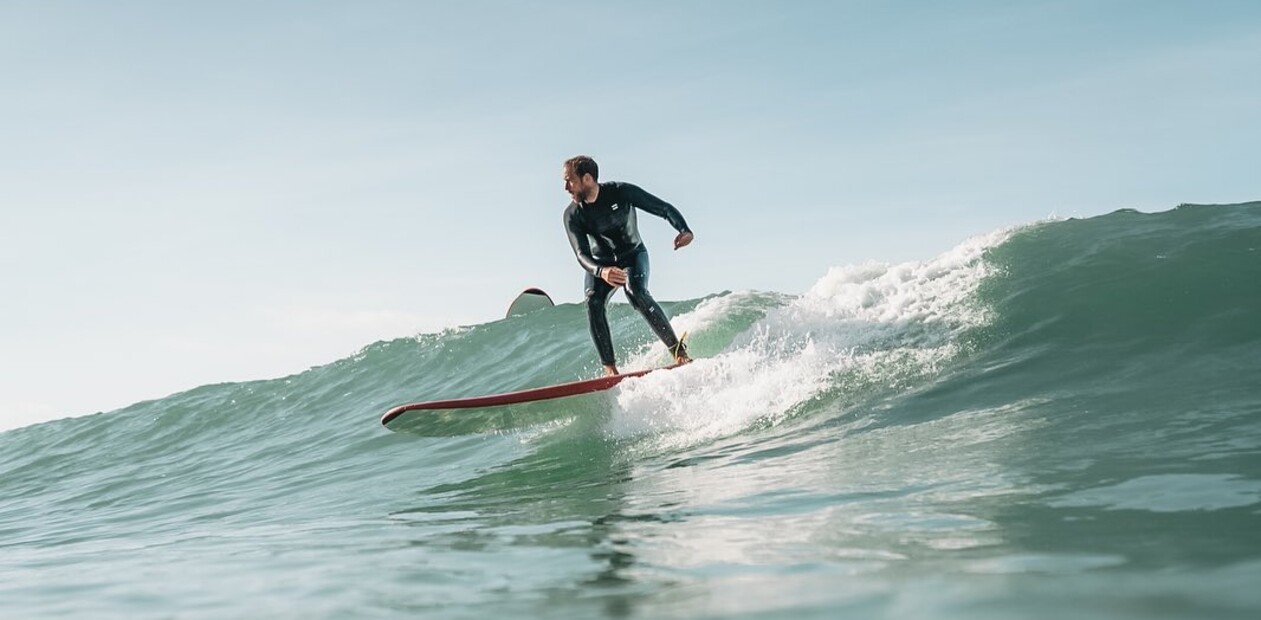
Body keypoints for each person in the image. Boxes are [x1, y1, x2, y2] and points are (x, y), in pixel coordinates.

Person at [562, 155, 694, 376]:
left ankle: (678, 351)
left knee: (635, 291)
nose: (566, 187)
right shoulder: (573, 214)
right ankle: (610, 368)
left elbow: (662, 208)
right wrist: (601, 271)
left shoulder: (621, 192)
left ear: (587, 178)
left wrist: (684, 230)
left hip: (633, 255)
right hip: (601, 264)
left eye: (570, 181)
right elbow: (580, 254)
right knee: (593, 301)